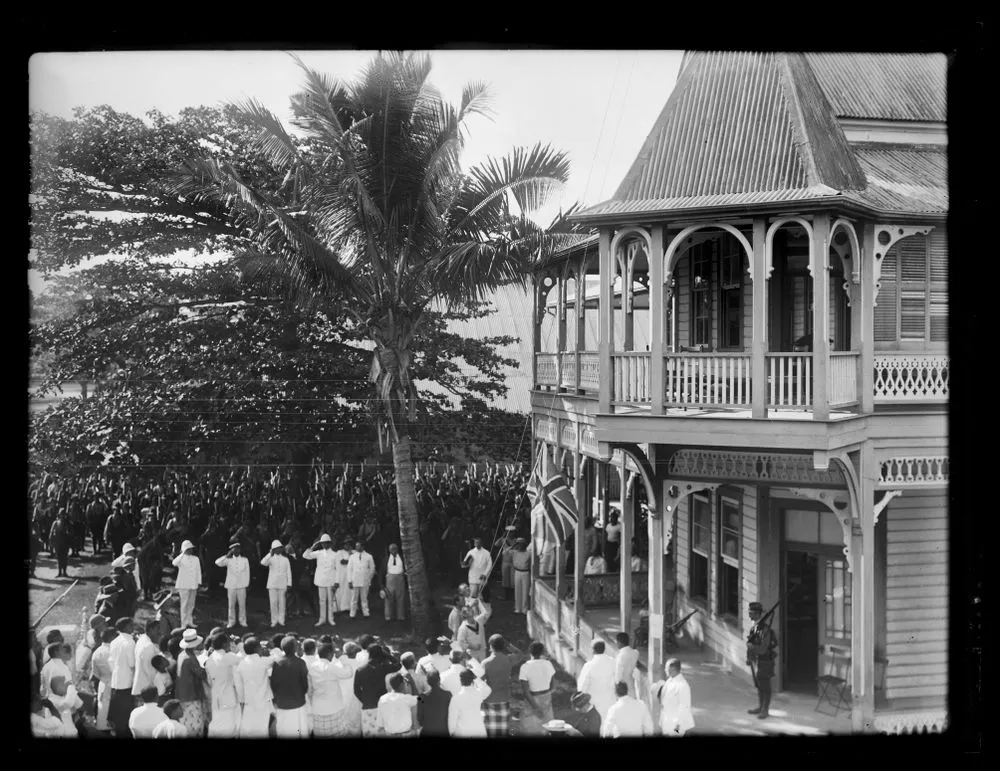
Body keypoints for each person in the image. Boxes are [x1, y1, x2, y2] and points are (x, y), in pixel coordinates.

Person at [309, 641, 353, 737]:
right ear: (329, 654)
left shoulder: (312, 666)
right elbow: (349, 673)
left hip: (317, 708)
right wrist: (342, 657)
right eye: (333, 653)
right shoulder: (330, 667)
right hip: (333, 708)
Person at [269, 635, 310, 738]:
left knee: (284, 730)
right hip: (298, 703)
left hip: (282, 704)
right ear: (294, 648)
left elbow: (273, 683)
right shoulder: (300, 662)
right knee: (298, 730)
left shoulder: (277, 662)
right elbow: (305, 684)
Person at [235, 637, 274, 738]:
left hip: (248, 703)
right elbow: (278, 658)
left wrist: (242, 702)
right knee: (262, 731)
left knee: (248, 731)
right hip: (263, 703)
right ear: (257, 649)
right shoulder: (263, 661)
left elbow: (239, 689)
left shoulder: (241, 665)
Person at [353, 643, 395, 737]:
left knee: (369, 733)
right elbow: (398, 665)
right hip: (383, 705)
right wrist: (388, 655)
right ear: (381, 654)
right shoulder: (385, 668)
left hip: (368, 706)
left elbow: (356, 690)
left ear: (369, 654)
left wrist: (365, 700)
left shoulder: (360, 670)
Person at [205, 633, 243, 737]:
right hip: (228, 699)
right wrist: (239, 644)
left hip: (215, 699)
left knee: (217, 726)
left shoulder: (210, 659)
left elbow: (209, 681)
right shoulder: (227, 657)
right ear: (225, 643)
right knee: (228, 730)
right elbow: (246, 658)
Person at [746, 601, 778, 719]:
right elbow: (750, 642)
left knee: (765, 686)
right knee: (759, 685)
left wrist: (752, 648)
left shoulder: (766, 630)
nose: (749, 616)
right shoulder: (754, 628)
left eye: (752, 613)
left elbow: (763, 649)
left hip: (765, 661)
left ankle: (765, 709)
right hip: (756, 661)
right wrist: (749, 657)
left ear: (758, 614)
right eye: (749, 613)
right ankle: (760, 706)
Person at [175, 628, 209, 737]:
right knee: (195, 726)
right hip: (191, 697)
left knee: (187, 724)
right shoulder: (190, 659)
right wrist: (208, 665)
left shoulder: (182, 655)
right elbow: (202, 674)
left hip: (183, 696)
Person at [303, 533, 340, 627]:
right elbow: (305, 555)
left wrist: (336, 582)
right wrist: (313, 546)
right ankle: (322, 619)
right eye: (323, 543)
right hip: (321, 580)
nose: (325, 545)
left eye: (326, 543)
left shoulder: (335, 554)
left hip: (331, 579)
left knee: (330, 600)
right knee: (322, 600)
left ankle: (331, 619)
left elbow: (338, 569)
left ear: (330, 543)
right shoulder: (319, 553)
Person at [108, 617, 137, 738]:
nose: (133, 627)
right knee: (125, 713)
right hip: (127, 681)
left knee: (118, 711)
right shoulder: (130, 642)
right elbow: (132, 663)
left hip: (116, 679)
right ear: (126, 627)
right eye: (131, 625)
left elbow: (110, 661)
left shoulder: (114, 641)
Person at [518, 641, 556, 733]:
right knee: (547, 729)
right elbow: (553, 686)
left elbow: (525, 690)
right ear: (543, 652)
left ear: (530, 652)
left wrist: (535, 707)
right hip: (547, 699)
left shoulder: (525, 667)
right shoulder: (548, 664)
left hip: (532, 701)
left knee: (530, 730)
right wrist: (545, 696)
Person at [481, 633, 514, 737]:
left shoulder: (485, 663)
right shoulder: (509, 659)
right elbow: (520, 653)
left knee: (490, 733)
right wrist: (510, 646)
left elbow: (480, 683)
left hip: (489, 700)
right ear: (503, 646)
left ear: (490, 646)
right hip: (504, 699)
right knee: (504, 732)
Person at [577, 639, 617, 723]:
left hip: (595, 703)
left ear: (593, 650)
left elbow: (582, 687)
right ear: (604, 649)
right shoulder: (613, 662)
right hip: (610, 700)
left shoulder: (589, 666)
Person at [215, 539, 250, 630]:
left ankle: (243, 621)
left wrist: (246, 584)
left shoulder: (244, 560)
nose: (236, 550)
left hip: (241, 585)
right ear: (231, 550)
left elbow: (247, 573)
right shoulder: (228, 560)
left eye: (238, 548)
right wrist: (226, 556)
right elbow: (217, 563)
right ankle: (231, 621)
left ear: (240, 550)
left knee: (242, 604)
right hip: (231, 585)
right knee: (231, 604)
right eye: (234, 549)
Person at [654, 658, 695, 737]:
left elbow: (684, 708)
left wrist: (677, 729)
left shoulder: (682, 686)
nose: (665, 670)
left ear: (672, 669)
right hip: (667, 722)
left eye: (666, 668)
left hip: (676, 726)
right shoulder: (670, 680)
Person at [448, 669, 490, 737]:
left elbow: (452, 719)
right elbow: (488, 690)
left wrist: (451, 732)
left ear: (460, 681)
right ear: (472, 680)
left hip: (462, 732)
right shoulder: (478, 693)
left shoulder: (456, 698)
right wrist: (476, 679)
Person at [377, 673, 420, 737]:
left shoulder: (382, 699)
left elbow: (380, 725)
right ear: (402, 685)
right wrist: (412, 684)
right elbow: (420, 699)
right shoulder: (406, 698)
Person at [261, 539, 292, 628]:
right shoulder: (270, 558)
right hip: (272, 583)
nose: (278, 550)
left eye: (279, 548)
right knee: (273, 602)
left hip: (282, 583)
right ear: (273, 549)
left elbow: (288, 572)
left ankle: (281, 620)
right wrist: (269, 554)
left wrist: (289, 583)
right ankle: (274, 621)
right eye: (276, 548)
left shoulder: (285, 559)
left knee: (282, 602)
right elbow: (263, 563)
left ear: (282, 549)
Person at [172, 540, 202, 629]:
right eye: (188, 549)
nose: (190, 550)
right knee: (184, 604)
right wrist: (182, 553)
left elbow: (198, 571)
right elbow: (174, 563)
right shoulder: (180, 559)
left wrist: (199, 582)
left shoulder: (196, 558)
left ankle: (190, 621)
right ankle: (183, 623)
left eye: (191, 549)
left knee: (191, 604)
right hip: (183, 585)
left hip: (193, 584)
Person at [91, 628, 116, 731]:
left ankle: (102, 728)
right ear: (111, 637)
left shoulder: (97, 651)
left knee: (102, 707)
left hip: (102, 682)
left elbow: (95, 672)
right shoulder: (113, 651)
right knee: (112, 709)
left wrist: (103, 678)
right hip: (114, 683)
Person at [131, 618, 160, 701]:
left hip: (142, 688)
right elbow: (150, 671)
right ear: (150, 629)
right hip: (146, 690)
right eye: (158, 629)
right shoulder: (148, 646)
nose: (160, 632)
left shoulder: (142, 640)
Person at [417, 668, 451, 737]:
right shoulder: (448, 695)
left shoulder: (421, 697)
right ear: (439, 679)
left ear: (427, 681)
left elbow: (419, 718)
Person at [347, 540, 376, 618]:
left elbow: (372, 568)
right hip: (354, 580)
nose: (357, 547)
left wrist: (368, 578)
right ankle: (352, 614)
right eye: (356, 546)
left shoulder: (369, 556)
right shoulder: (352, 556)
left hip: (364, 580)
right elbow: (349, 569)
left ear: (363, 547)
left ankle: (366, 612)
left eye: (358, 546)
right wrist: (349, 581)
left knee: (364, 598)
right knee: (354, 598)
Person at [382, 543, 407, 621]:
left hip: (400, 579)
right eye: (391, 549)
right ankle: (388, 616)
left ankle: (400, 616)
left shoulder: (402, 558)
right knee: (389, 597)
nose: (393, 551)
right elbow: (382, 572)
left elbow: (406, 569)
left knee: (401, 597)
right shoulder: (386, 559)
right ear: (389, 550)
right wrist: (382, 585)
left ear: (397, 549)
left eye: (394, 549)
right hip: (390, 580)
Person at [614, 632, 640, 698]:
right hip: (631, 684)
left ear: (620, 642)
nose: (616, 644)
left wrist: (616, 685)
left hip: (622, 687)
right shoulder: (635, 653)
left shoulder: (621, 656)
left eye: (617, 642)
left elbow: (618, 673)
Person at [332, 539, 353, 617]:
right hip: (341, 574)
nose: (347, 546)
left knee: (349, 590)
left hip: (350, 574)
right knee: (341, 590)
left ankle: (349, 607)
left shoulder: (353, 552)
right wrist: (350, 558)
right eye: (345, 544)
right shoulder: (339, 552)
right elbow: (342, 562)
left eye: (348, 544)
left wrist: (350, 556)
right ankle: (341, 607)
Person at [48, 510, 71, 578]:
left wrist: (68, 533)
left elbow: (71, 532)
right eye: (61, 514)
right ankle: (59, 572)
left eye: (64, 514)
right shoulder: (55, 523)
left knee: (65, 557)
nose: (63, 516)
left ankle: (64, 572)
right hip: (58, 542)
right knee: (59, 557)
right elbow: (51, 532)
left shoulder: (68, 523)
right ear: (59, 515)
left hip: (65, 542)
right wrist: (51, 540)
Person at [511, 538, 531, 614]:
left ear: (524, 545)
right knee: (517, 590)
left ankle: (524, 608)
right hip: (517, 572)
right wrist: (513, 545)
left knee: (525, 590)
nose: (519, 546)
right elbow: (504, 552)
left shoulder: (528, 553)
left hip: (525, 572)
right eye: (518, 544)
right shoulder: (514, 552)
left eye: (521, 544)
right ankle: (517, 608)